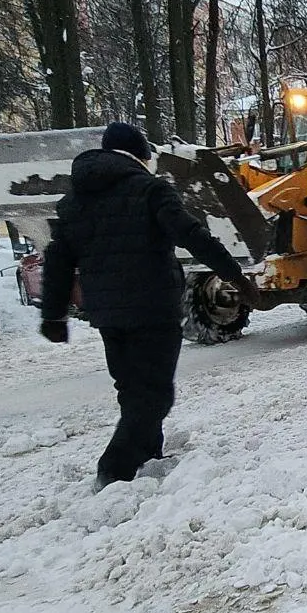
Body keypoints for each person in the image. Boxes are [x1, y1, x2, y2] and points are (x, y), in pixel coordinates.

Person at [40, 122, 259, 490]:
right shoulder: (149, 189)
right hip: (152, 307)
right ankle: (115, 468)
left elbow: (58, 258)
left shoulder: (76, 200)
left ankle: (148, 456)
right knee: (154, 393)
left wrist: (53, 313)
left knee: (131, 388)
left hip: (108, 314)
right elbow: (191, 234)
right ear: (141, 155)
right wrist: (234, 276)